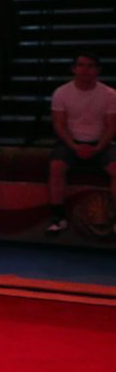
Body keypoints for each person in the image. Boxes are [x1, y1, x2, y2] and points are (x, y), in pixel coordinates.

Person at [45, 53, 116, 236]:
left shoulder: (109, 94)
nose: (85, 70)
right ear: (74, 69)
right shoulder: (61, 92)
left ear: (98, 70)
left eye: (90, 65)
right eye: (81, 65)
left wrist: (98, 147)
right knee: (56, 166)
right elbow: (59, 125)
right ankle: (58, 218)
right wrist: (75, 146)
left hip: (100, 143)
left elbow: (111, 126)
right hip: (70, 142)